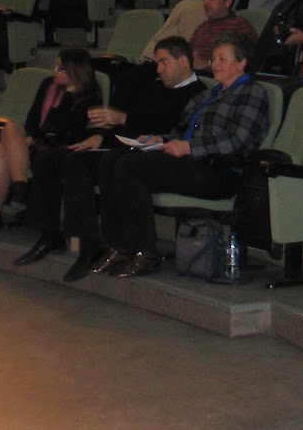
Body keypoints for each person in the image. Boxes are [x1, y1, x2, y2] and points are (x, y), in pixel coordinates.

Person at [16, 37, 203, 275]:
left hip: (158, 156)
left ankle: (120, 246)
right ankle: (69, 239)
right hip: (128, 146)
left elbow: (167, 126)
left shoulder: (198, 94)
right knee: (60, 158)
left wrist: (123, 119)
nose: (158, 69)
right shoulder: (154, 86)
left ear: (183, 61)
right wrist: (100, 136)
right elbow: (129, 125)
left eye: (164, 62)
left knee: (110, 162)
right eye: (157, 63)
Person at [91, 37, 271, 277]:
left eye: (222, 59)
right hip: (190, 163)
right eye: (213, 59)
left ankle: (144, 251)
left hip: (219, 170)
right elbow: (181, 130)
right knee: (112, 159)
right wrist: (160, 139)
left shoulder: (252, 92)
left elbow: (237, 141)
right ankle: (117, 245)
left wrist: (188, 147)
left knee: (130, 166)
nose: (215, 64)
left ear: (242, 63)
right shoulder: (209, 95)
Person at [0, 48, 98, 243]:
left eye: (60, 69)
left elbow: (62, 130)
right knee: (9, 130)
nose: (54, 71)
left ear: (75, 72)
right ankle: (17, 191)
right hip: (37, 143)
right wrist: (30, 137)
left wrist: (68, 95)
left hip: (56, 151)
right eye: (55, 66)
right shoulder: (47, 84)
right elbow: (33, 118)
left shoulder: (89, 96)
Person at [188, 0, 258, 70]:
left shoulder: (239, 25)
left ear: (227, 2)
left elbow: (242, 63)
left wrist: (206, 65)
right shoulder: (202, 26)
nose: (205, 2)